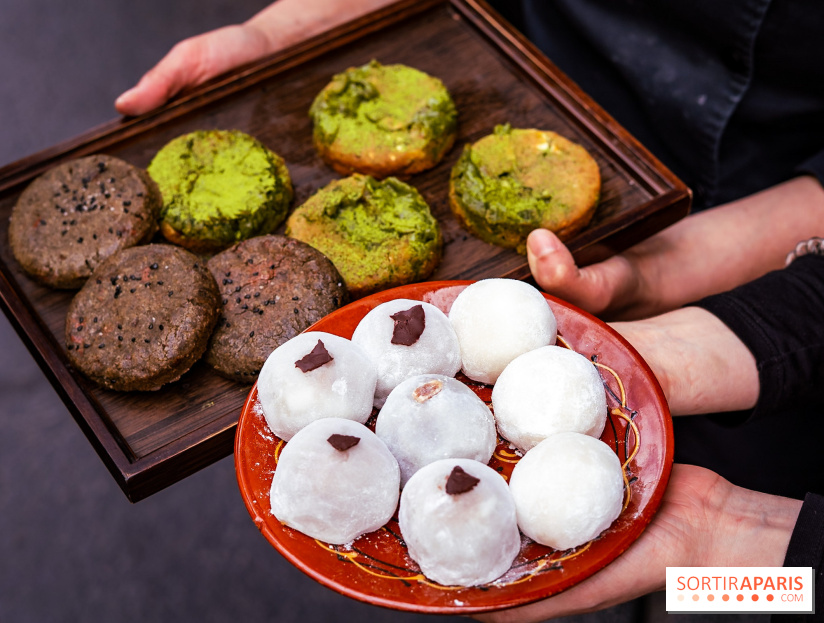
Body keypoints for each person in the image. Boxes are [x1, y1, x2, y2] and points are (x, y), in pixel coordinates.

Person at [114, 0, 824, 618]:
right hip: (532, 82)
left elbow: (765, 565)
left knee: (721, 585)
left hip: (773, 216)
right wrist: (291, 29)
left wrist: (749, 554)